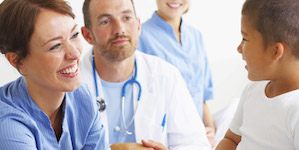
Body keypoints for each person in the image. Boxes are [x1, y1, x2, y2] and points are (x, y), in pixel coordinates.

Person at [80, 0, 211, 149]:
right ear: (87, 35)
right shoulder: (69, 88)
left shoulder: (166, 75)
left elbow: (196, 143)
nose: (119, 29)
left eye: (126, 18)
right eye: (105, 21)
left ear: (138, 26)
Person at [0, 0, 110, 149]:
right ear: (17, 61)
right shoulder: (7, 125)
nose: (75, 53)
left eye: (74, 35)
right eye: (55, 46)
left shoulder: (82, 98)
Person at [216, 0, 299, 149]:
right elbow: (231, 139)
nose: (239, 48)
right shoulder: (253, 91)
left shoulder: (295, 108)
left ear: (276, 51)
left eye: (245, 39)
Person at [137, 0, 216, 147]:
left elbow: (202, 98)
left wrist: (210, 130)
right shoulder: (139, 35)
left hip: (197, 137)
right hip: (161, 137)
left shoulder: (196, 36)